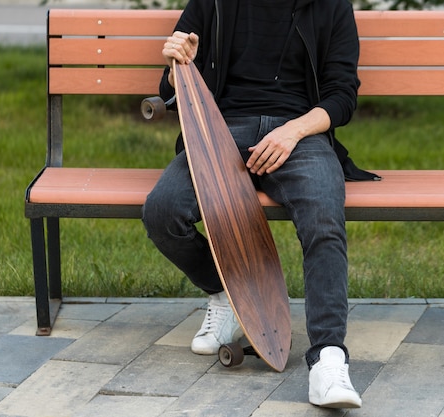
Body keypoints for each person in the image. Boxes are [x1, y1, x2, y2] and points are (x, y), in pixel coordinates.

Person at [142, 0, 378, 408]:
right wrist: (177, 63)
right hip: (219, 130)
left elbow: (342, 96)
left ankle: (327, 359)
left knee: (323, 218)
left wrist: (293, 132)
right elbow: (172, 92)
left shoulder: (331, 5)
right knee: (163, 211)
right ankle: (228, 294)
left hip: (299, 135)